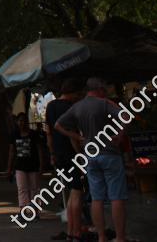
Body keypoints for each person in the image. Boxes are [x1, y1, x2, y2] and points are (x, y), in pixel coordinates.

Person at [56, 77, 130, 242]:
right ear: (99, 90)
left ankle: (101, 236)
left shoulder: (77, 107)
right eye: (103, 89)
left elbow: (58, 125)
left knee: (96, 198)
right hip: (110, 154)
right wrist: (118, 135)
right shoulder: (104, 104)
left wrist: (77, 136)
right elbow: (125, 116)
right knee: (116, 196)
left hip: (91, 155)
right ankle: (120, 237)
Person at [46, 80, 85, 242]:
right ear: (72, 93)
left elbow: (48, 132)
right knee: (77, 193)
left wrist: (52, 153)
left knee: (70, 193)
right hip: (71, 154)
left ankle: (71, 231)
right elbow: (71, 135)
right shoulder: (70, 108)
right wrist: (81, 154)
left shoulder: (51, 106)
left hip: (59, 154)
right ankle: (75, 232)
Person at [7, 112, 43, 209]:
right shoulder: (14, 134)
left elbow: (39, 150)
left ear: (27, 122)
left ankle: (35, 210)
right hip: (20, 166)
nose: (22, 123)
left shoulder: (33, 134)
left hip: (33, 166)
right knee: (22, 189)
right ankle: (23, 209)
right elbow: (11, 152)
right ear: (17, 122)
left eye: (24, 121)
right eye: (20, 121)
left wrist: (41, 166)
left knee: (34, 189)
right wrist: (9, 169)